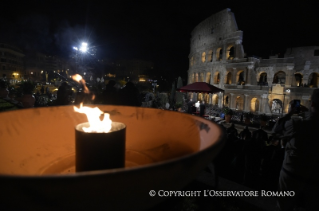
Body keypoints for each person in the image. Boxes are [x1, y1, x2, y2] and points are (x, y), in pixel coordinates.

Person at [273, 89, 319, 211]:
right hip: (314, 177)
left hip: (291, 173)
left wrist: (290, 113)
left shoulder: (297, 123)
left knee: (283, 206)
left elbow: (276, 130)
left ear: (312, 104)